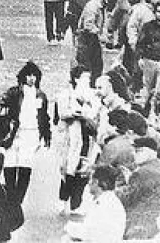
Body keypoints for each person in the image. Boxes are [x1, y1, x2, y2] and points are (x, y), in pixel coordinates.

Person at [0, 61, 50, 205]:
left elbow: (44, 117)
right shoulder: (15, 91)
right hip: (14, 132)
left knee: (25, 164)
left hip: (32, 133)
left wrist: (46, 135)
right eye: (29, 75)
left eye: (35, 76)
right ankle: (10, 195)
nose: (32, 78)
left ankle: (17, 200)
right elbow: (2, 101)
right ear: (23, 77)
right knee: (10, 163)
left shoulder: (41, 96)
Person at [56, 65, 100, 215]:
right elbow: (61, 113)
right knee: (68, 169)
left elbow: (95, 112)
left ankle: (76, 204)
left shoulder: (92, 94)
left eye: (88, 78)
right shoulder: (66, 94)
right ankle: (62, 201)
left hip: (87, 135)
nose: (87, 81)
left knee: (83, 170)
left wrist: (87, 113)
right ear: (76, 78)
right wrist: (73, 113)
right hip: (72, 135)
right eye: (84, 78)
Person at [118, 136, 160, 240]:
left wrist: (111, 190)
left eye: (138, 151)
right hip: (157, 219)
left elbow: (127, 198)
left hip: (138, 222)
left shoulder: (142, 172)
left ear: (149, 152)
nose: (134, 154)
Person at [64, 164, 126, 243]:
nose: (88, 183)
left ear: (96, 182)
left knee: (66, 238)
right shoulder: (108, 199)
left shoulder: (104, 204)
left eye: (90, 180)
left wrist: (69, 228)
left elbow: (90, 234)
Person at [74, 0, 107, 81]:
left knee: (96, 65)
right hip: (88, 39)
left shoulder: (97, 5)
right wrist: (101, 36)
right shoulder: (93, 6)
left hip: (92, 39)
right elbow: (88, 25)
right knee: (89, 66)